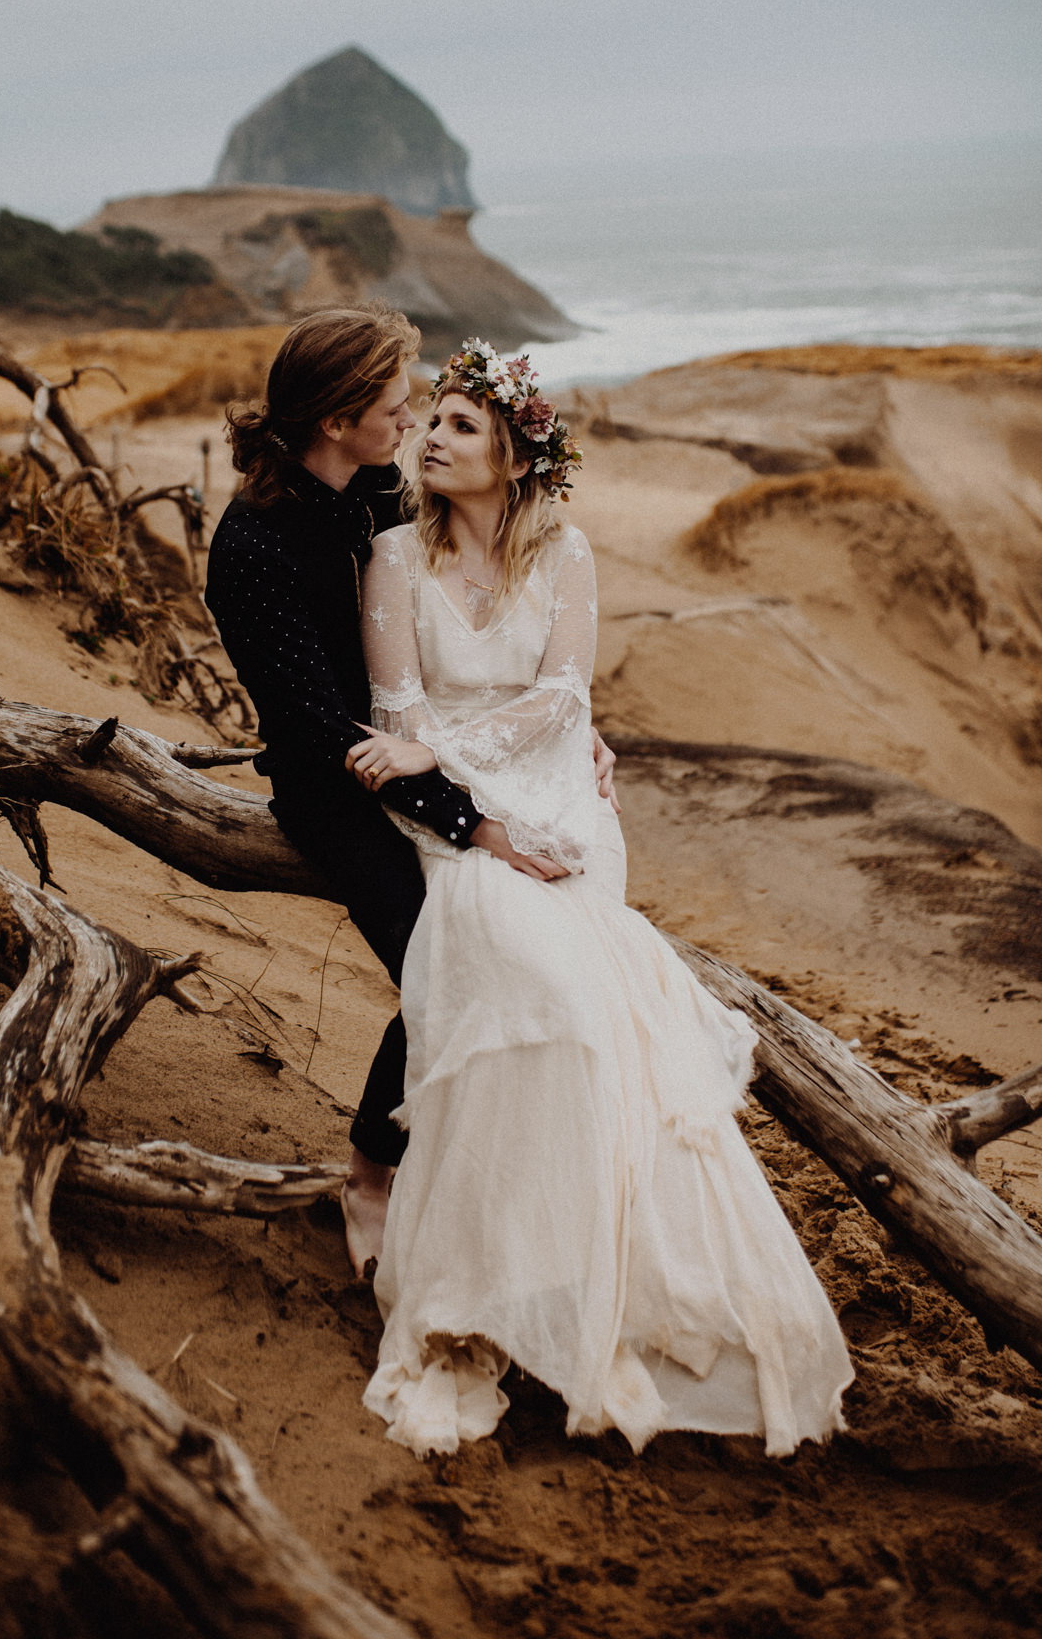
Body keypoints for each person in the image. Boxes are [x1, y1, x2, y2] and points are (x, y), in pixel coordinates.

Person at [347, 337, 854, 1459]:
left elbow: (563, 692)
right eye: (428, 419)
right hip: (445, 806)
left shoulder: (564, 552)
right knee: (522, 972)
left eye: (459, 426)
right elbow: (395, 711)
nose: (431, 436)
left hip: (559, 794)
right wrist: (458, 791)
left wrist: (501, 765)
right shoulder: (390, 553)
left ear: (517, 453)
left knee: (595, 1004)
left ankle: (589, 1270)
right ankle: (489, 1276)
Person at [205, 307, 618, 1278]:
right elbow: (321, 732)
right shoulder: (252, 547)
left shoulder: (371, 488)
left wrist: (567, 731)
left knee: (531, 939)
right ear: (339, 416)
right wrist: (478, 825)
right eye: (394, 402)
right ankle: (370, 1170)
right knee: (445, 966)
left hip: (432, 761)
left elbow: (452, 619)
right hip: (335, 795)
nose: (411, 416)